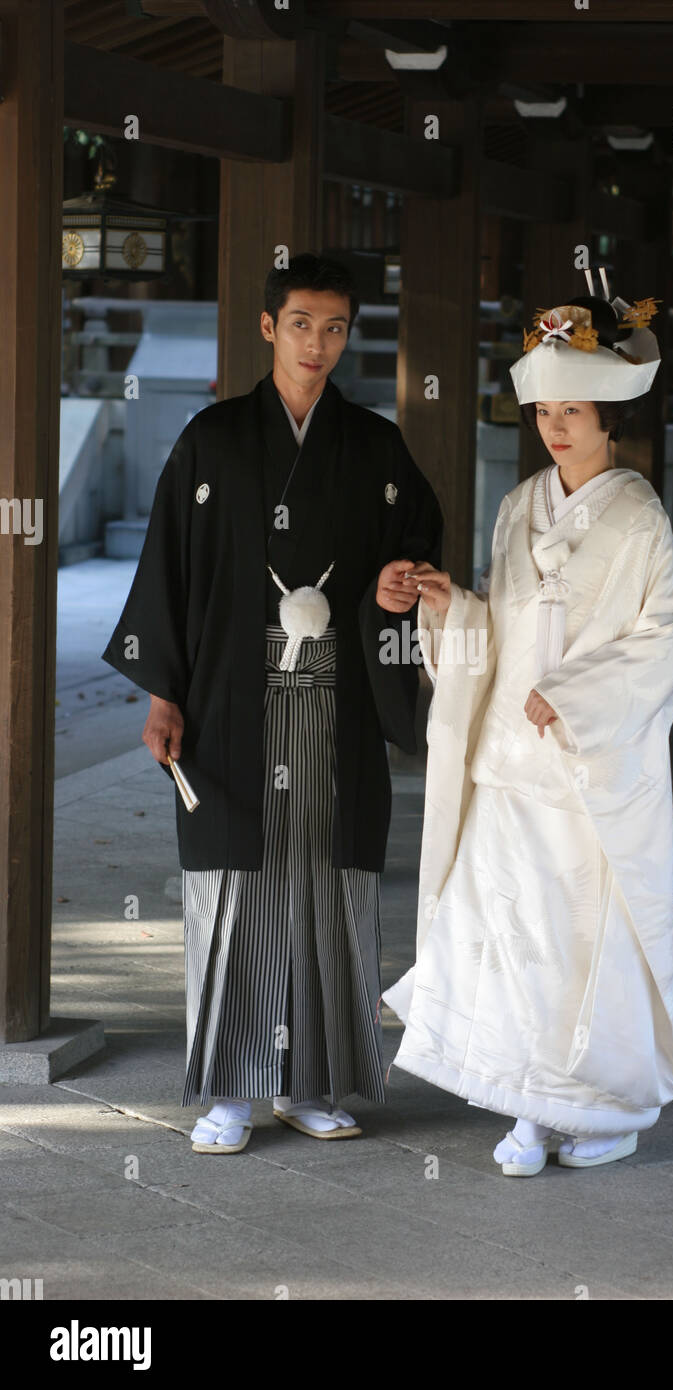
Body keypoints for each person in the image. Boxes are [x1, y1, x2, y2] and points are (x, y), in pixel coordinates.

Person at [101, 252, 442, 1153]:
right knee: (234, 892)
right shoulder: (211, 439)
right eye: (301, 324)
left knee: (328, 890)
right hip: (227, 702)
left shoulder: (373, 445)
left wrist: (398, 585)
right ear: (268, 327)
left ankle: (313, 1082)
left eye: (335, 327)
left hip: (335, 702)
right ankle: (231, 1090)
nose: (318, 343)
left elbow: (413, 544)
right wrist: (164, 695)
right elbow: (167, 575)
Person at [382, 286, 673, 1176]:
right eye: (546, 412)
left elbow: (661, 640)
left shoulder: (640, 519)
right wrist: (452, 611)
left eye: (573, 412)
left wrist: (580, 698)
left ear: (610, 416)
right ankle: (525, 1103)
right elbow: (503, 626)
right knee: (506, 939)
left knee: (576, 943)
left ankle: (599, 1106)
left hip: (584, 772)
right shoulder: (519, 505)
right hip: (507, 765)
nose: (556, 428)